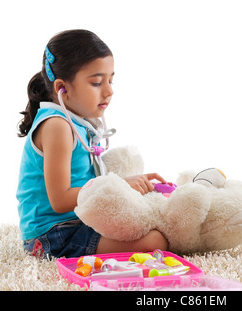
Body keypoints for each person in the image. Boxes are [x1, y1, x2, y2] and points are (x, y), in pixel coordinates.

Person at [16, 29, 168, 259]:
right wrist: (119, 186)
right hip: (53, 234)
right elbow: (59, 200)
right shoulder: (57, 127)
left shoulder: (78, 121)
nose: (109, 91)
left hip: (80, 219)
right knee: (156, 240)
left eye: (110, 80)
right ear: (62, 89)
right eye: (97, 82)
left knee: (153, 222)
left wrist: (129, 187)